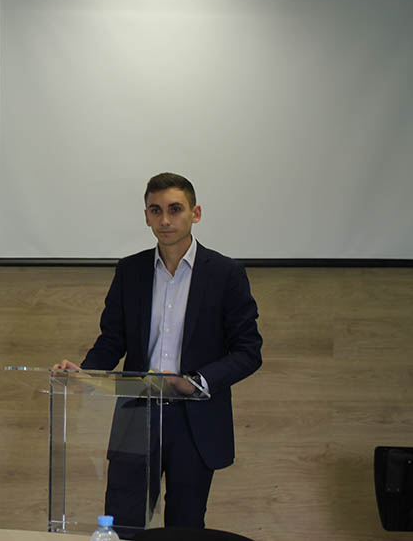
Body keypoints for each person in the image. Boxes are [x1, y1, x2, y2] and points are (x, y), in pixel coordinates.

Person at [55, 172, 262, 533]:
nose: (165, 220)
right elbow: (112, 339)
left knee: (184, 528)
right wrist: (87, 372)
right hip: (137, 415)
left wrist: (194, 382)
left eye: (175, 209)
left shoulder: (226, 273)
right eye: (156, 210)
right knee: (122, 526)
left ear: (196, 213)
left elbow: (248, 351)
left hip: (194, 421)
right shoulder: (130, 270)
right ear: (146, 216)